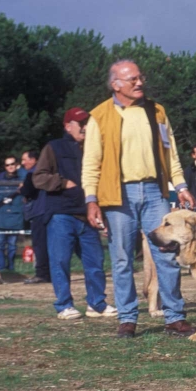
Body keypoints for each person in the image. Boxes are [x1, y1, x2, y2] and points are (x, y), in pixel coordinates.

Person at [82, 59, 196, 338]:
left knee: (167, 255)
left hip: (155, 192)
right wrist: (91, 200)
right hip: (118, 195)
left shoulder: (156, 112)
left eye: (140, 77)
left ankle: (174, 317)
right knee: (121, 259)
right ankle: (127, 318)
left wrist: (180, 186)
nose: (139, 83)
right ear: (116, 85)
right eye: (132, 79)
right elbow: (91, 162)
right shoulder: (99, 116)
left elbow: (170, 155)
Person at [33, 107, 116, 320]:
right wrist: (61, 183)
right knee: (60, 261)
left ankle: (96, 304)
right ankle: (64, 306)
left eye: (87, 123)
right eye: (81, 123)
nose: (86, 127)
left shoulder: (95, 147)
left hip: (87, 214)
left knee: (96, 261)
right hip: (60, 214)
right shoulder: (53, 147)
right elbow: (38, 177)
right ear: (67, 126)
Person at [0, 156, 26, 271]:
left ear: (17, 165)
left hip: (15, 215)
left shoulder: (23, 177)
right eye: (7, 165)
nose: (10, 166)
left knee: (12, 245)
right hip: (0, 214)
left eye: (12, 164)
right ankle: (1, 267)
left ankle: (11, 267)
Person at [20, 150, 50, 284]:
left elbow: (28, 190)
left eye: (25, 159)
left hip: (39, 211)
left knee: (40, 244)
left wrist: (22, 189)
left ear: (33, 160)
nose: (23, 163)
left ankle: (42, 274)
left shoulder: (33, 173)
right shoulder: (48, 171)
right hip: (49, 210)